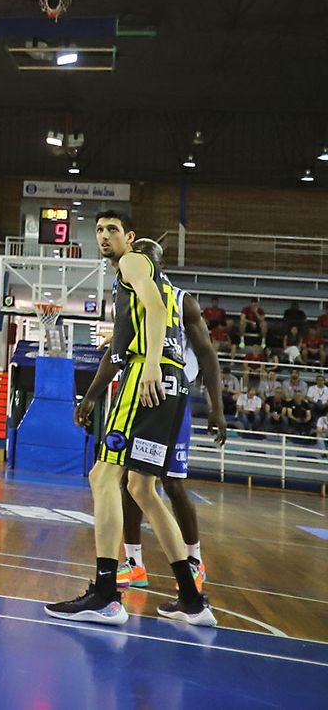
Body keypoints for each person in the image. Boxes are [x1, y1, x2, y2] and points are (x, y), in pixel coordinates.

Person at [47, 211, 212, 628]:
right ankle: (193, 600)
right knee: (143, 488)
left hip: (149, 374)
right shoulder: (134, 279)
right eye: (99, 230)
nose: (104, 236)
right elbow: (137, 327)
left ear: (130, 237)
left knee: (103, 477)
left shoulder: (133, 261)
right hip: (172, 381)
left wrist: (151, 364)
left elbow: (156, 308)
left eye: (113, 230)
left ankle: (105, 596)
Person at [102, 248, 226, 593]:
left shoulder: (182, 301)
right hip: (142, 389)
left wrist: (216, 407)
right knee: (131, 479)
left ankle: (194, 561)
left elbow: (208, 356)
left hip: (171, 394)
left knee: (170, 483)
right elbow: (119, 352)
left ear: (160, 264)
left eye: (149, 255)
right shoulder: (134, 295)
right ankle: (134, 563)